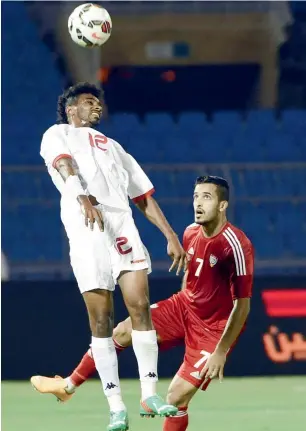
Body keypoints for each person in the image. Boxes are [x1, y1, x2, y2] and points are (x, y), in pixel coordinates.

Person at [31, 175, 254, 431]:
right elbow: (191, 276)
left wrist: (221, 351)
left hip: (214, 329)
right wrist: (184, 300)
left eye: (207, 197)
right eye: (195, 196)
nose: (198, 203)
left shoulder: (236, 244)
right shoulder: (190, 233)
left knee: (175, 398)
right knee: (123, 332)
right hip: (184, 307)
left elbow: (243, 305)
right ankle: (67, 386)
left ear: (223, 205)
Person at [37, 82, 185, 431]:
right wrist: (82, 196)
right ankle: (116, 407)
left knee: (139, 305)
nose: (97, 108)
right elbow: (64, 165)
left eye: (99, 103)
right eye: (90, 102)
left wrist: (170, 234)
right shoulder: (57, 133)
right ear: (72, 109)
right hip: (84, 224)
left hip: (120, 225)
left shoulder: (116, 148)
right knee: (102, 322)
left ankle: (149, 392)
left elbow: (143, 196)